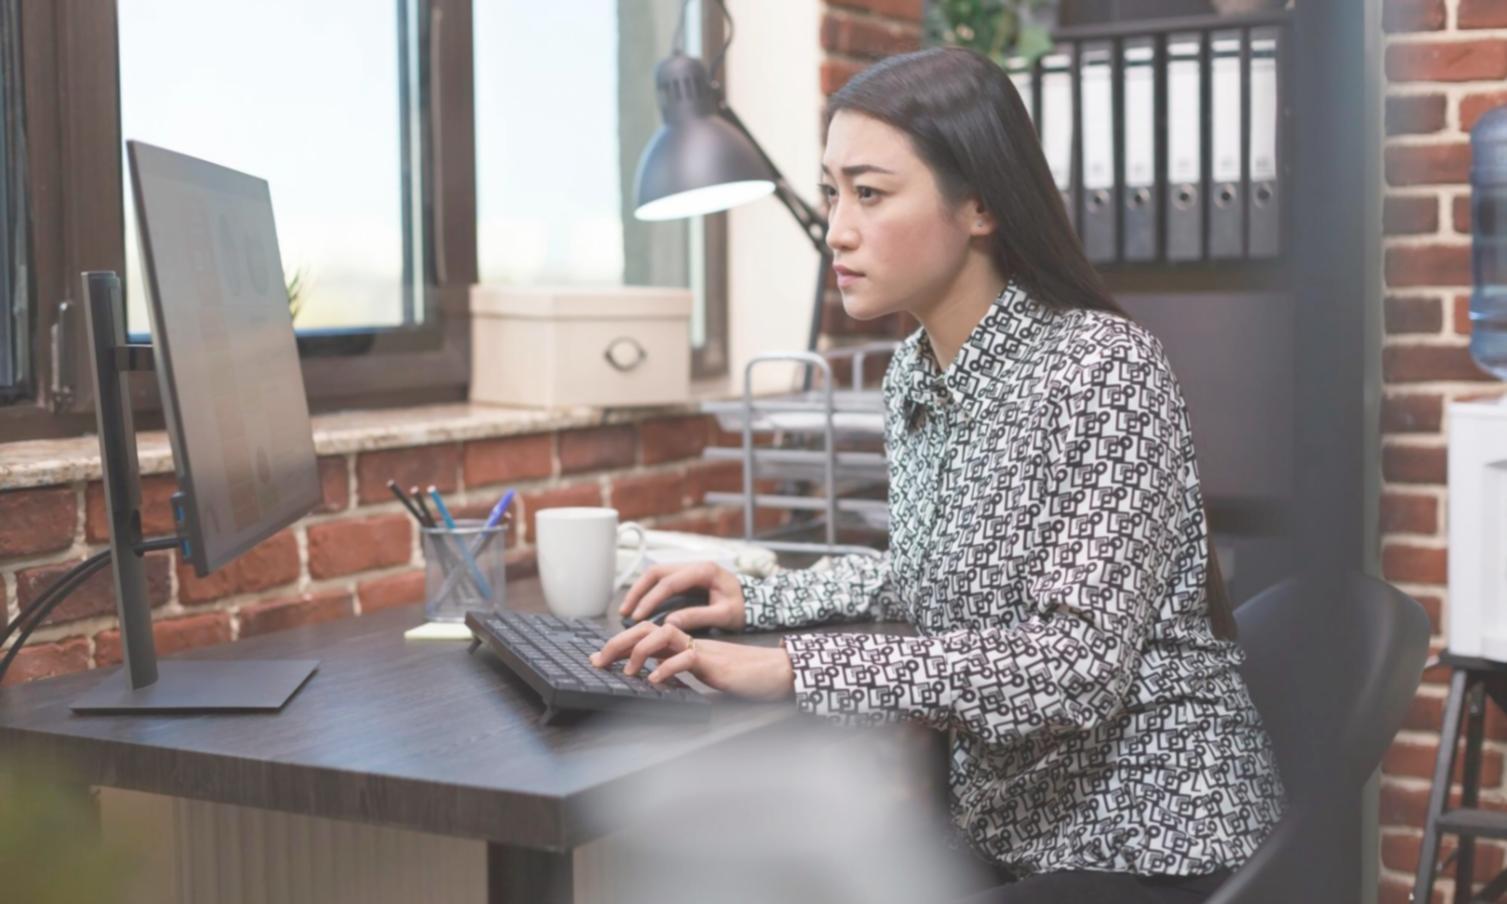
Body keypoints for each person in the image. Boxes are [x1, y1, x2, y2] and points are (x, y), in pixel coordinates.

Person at [590, 45, 1285, 902]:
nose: (838, 229)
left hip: (1142, 834)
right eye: (832, 192)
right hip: (1003, 828)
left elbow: (1068, 668)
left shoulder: (1101, 370)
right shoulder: (916, 372)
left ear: (982, 205)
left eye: (870, 194)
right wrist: (757, 599)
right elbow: (934, 579)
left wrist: (796, 669)